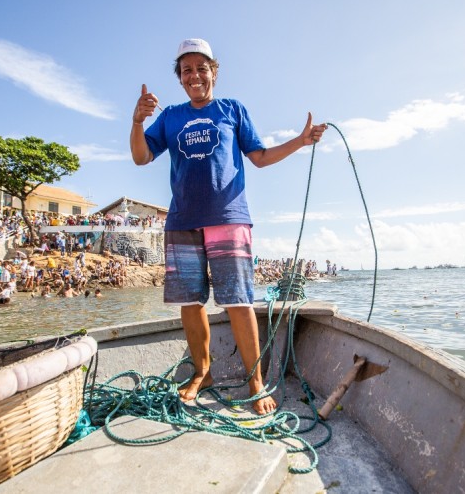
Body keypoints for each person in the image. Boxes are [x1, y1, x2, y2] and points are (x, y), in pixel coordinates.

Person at [129, 38, 327, 415]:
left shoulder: (232, 109)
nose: (195, 75)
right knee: (190, 302)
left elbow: (261, 157)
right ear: (181, 78)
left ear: (214, 72)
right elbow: (141, 157)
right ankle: (202, 372)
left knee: (238, 301)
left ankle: (255, 380)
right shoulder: (169, 116)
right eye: (187, 70)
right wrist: (138, 121)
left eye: (202, 68)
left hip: (229, 218)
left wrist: (301, 142)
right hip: (182, 220)